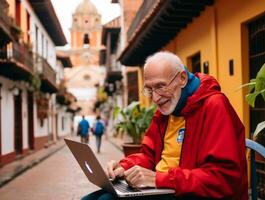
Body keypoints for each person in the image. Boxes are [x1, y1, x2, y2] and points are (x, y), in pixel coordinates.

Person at [81, 51, 248, 200]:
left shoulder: (214, 105)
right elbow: (148, 156)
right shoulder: (165, 111)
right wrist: (124, 167)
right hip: (164, 189)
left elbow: (224, 179)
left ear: (182, 78)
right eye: (149, 89)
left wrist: (158, 179)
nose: (155, 98)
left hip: (189, 193)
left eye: (161, 86)